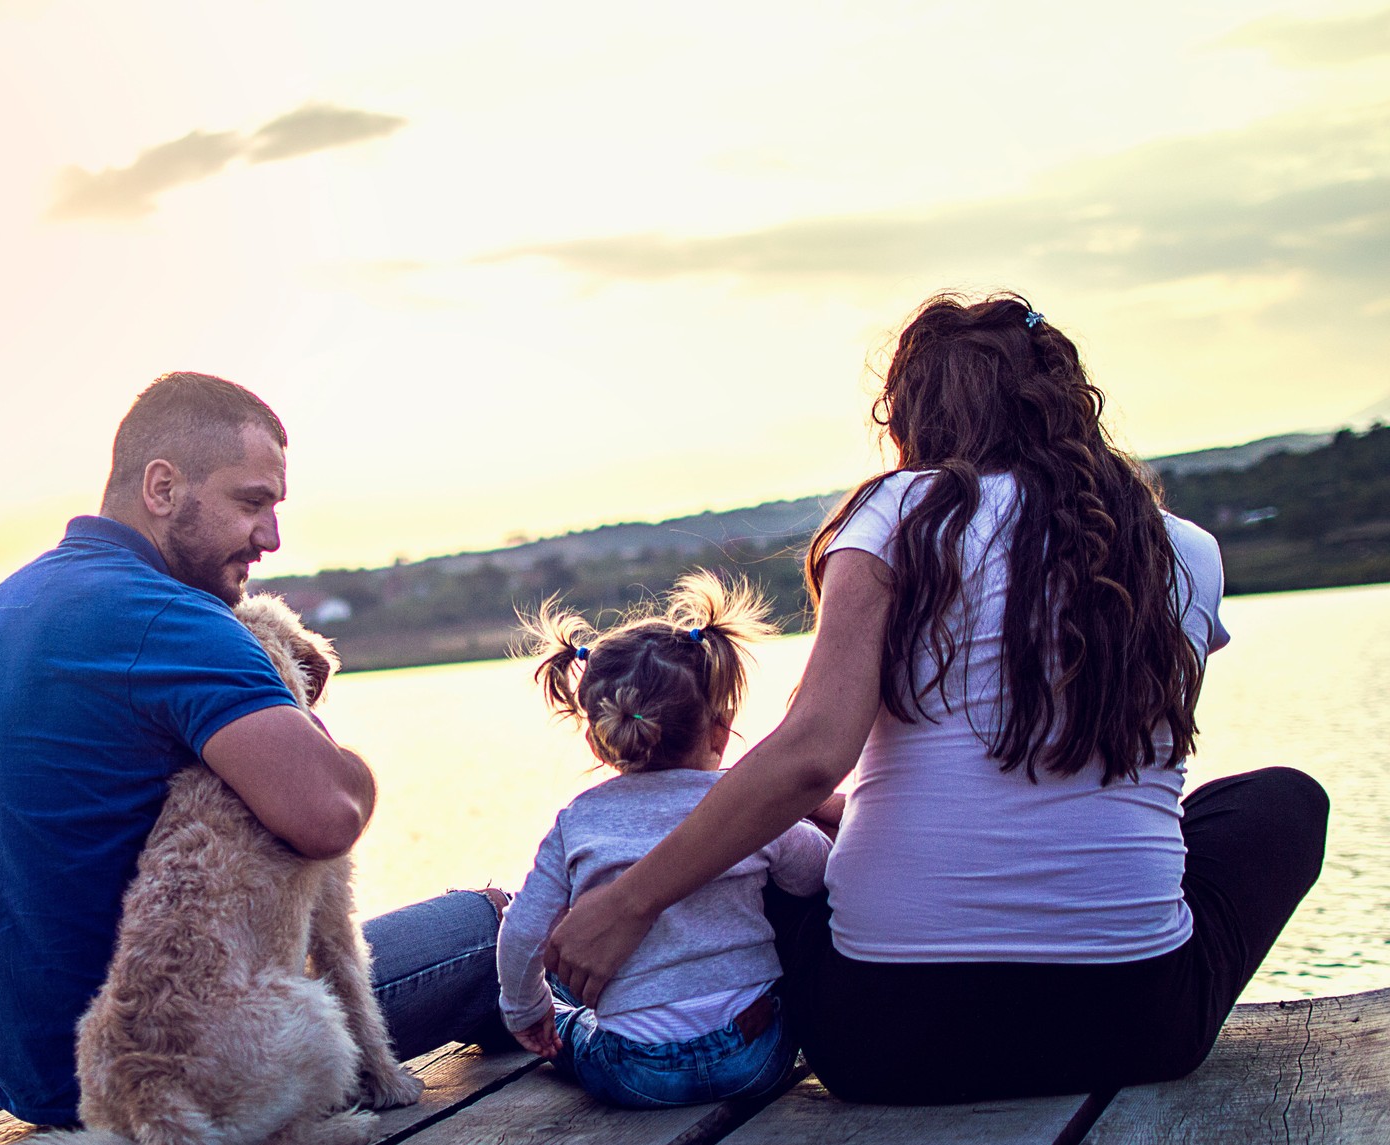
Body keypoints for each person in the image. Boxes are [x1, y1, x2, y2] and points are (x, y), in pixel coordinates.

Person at [543, 294, 1328, 1104]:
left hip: (883, 1041)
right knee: (1284, 801)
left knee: (765, 852)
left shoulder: (894, 516)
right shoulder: (1183, 548)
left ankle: (663, 1020)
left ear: (915, 416)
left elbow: (811, 754)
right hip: (1137, 1024)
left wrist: (629, 902)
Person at [0, 371, 506, 1128]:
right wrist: (346, 762)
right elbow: (327, 814)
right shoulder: (173, 618)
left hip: (38, 1077)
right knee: (490, 921)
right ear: (163, 487)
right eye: (251, 502)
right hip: (187, 1068)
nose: (270, 538)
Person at [496, 573, 832, 1109]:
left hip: (635, 1068)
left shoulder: (577, 820)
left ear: (597, 739)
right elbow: (815, 872)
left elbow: (523, 934)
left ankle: (544, 1023)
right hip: (758, 1054)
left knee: (564, 1014)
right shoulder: (743, 805)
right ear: (720, 729)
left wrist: (524, 1010)